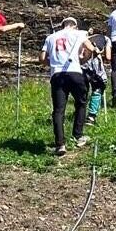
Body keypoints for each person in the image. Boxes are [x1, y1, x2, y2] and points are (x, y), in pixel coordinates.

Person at [42, 17, 93, 155]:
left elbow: (42, 58)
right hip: (75, 72)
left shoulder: (51, 37)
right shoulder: (80, 34)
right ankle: (78, 135)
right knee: (81, 103)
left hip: (57, 74)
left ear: (63, 25)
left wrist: (53, 64)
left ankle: (60, 144)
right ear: (75, 26)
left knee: (58, 110)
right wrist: (84, 58)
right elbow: (90, 48)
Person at [83, 25, 111, 125]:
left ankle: (80, 113)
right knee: (98, 86)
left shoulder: (86, 38)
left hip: (81, 63)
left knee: (83, 88)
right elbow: (108, 56)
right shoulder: (106, 39)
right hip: (94, 62)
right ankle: (91, 116)